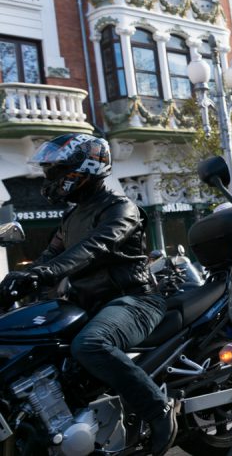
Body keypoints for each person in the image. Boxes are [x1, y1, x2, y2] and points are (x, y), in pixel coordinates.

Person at [0, 134, 176, 455]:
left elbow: (92, 248)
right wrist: (19, 279)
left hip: (134, 301)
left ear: (83, 170)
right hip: (88, 304)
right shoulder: (70, 218)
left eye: (55, 170)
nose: (48, 177)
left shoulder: (121, 208)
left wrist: (44, 273)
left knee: (91, 345)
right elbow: (48, 258)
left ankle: (158, 410)